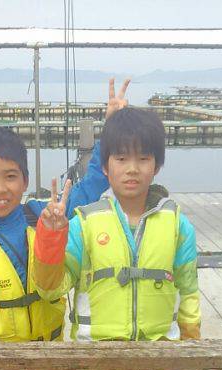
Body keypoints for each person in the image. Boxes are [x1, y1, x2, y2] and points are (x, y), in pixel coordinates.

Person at [0, 79, 130, 339]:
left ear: (25, 181)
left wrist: (110, 132)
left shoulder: (43, 215)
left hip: (47, 355)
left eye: (10, 176)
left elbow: (90, 187)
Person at [33, 105, 201, 341]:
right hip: (96, 357)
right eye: (121, 159)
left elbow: (189, 291)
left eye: (143, 158)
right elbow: (49, 289)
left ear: (157, 166)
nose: (132, 169)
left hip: (162, 354)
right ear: (104, 166)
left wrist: (191, 343)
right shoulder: (84, 224)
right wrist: (50, 237)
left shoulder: (178, 225)